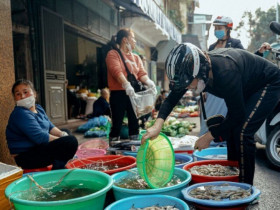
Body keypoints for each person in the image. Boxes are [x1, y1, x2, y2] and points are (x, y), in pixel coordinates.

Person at [141, 43, 280, 185]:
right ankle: (233, 172)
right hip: (248, 85)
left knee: (243, 132)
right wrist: (157, 125)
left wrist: (209, 136)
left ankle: (246, 188)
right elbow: (172, 99)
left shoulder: (226, 72)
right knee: (232, 129)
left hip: (269, 83)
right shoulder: (194, 70)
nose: (187, 87)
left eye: (188, 83)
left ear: (200, 72)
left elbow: (237, 114)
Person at [6, 79, 78, 170]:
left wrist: (62, 134)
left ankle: (58, 165)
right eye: (18, 94)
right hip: (26, 157)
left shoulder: (38, 108)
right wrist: (65, 142)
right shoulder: (20, 113)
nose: (23, 96)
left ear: (34, 94)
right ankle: (58, 169)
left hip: (37, 148)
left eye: (25, 92)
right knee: (70, 142)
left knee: (66, 132)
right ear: (15, 98)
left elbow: (50, 126)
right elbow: (40, 137)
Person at [106, 28, 156, 146]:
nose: (134, 42)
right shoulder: (113, 54)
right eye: (133, 39)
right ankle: (114, 147)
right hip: (118, 93)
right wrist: (126, 84)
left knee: (134, 120)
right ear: (125, 40)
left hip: (134, 94)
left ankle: (135, 146)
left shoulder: (136, 57)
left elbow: (141, 74)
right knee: (117, 122)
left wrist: (149, 82)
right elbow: (116, 71)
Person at [200, 16, 244, 137]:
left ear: (228, 29)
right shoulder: (212, 47)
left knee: (227, 116)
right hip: (213, 90)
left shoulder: (235, 44)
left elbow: (245, 61)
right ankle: (209, 139)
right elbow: (207, 70)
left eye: (219, 28)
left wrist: (260, 53)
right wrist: (204, 89)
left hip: (228, 88)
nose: (216, 30)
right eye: (215, 28)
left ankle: (223, 139)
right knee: (211, 116)